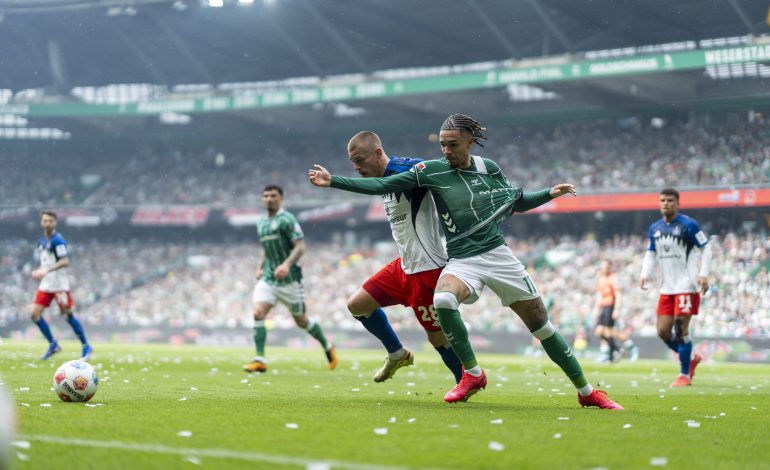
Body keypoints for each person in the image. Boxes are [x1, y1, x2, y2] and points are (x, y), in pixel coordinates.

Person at [309, 113, 622, 409]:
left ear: (470, 140)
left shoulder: (490, 169)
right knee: (443, 299)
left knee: (541, 326)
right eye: (442, 144)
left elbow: (515, 203)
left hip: (497, 255)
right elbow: (382, 185)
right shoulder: (429, 170)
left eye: (452, 144)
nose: (446, 151)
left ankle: (587, 392)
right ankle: (470, 374)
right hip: (461, 258)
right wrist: (333, 181)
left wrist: (548, 194)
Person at [344, 131, 463, 383]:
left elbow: (439, 170)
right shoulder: (383, 181)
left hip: (427, 268)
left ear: (378, 152)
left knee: (437, 337)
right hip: (403, 266)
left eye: (360, 160)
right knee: (357, 305)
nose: (356, 167)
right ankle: (397, 353)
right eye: (352, 162)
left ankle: (465, 380)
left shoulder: (407, 170)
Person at [242, 185, 337, 373]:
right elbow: (266, 249)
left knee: (302, 321)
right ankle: (259, 360)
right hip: (269, 278)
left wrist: (286, 265)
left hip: (290, 280)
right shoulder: (261, 222)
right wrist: (260, 267)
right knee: (258, 313)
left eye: (273, 196)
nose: (269, 199)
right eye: (266, 196)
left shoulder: (287, 219)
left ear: (281, 199)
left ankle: (327, 346)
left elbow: (300, 246)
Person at [640, 188, 709, 387]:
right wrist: (645, 273)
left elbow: (706, 249)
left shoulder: (689, 225)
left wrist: (703, 273)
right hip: (667, 288)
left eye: (670, 200)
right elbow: (651, 253)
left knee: (680, 330)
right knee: (663, 331)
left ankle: (684, 375)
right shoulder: (655, 228)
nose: (666, 204)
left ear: (677, 203)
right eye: (662, 200)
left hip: (687, 285)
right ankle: (691, 357)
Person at [30, 211, 92, 361]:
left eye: (50, 221)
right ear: (41, 223)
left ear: (55, 223)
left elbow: (65, 261)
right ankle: (53, 344)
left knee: (68, 314)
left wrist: (46, 270)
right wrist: (40, 271)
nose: (47, 223)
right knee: (34, 314)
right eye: (45, 221)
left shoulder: (58, 241)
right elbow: (46, 262)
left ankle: (86, 345)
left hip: (59, 285)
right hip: (46, 285)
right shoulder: (41, 241)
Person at [594, 260, 621, 362]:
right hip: (603, 307)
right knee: (599, 331)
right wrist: (596, 308)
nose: (603, 268)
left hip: (611, 305)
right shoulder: (601, 279)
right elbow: (600, 295)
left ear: (609, 267)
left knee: (607, 330)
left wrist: (617, 309)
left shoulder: (613, 278)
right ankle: (616, 349)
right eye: (602, 266)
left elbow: (618, 294)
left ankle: (611, 356)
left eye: (605, 266)